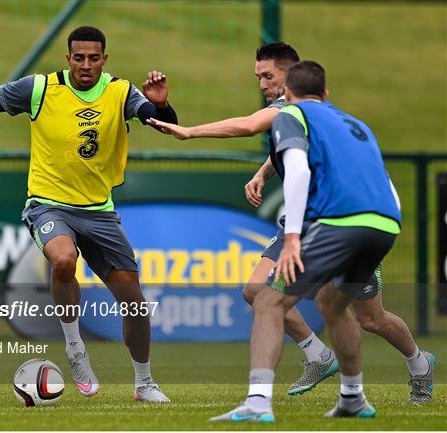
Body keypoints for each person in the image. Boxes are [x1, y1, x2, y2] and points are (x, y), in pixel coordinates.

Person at [148, 43, 435, 404]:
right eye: (259, 78)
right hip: (306, 220)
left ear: (292, 75)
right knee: (256, 291)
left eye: (269, 76)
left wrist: (188, 131)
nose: (264, 84)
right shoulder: (302, 113)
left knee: (371, 319)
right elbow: (288, 147)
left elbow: (249, 125)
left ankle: (419, 364)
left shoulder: (294, 108)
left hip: (338, 220)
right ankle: (318, 355)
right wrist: (263, 173)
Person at [0, 25, 178, 402]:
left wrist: (160, 105)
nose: (85, 65)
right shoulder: (41, 88)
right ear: (68, 59)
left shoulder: (119, 91)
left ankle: (144, 383)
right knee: (63, 259)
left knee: (134, 301)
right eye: (78, 58)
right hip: (47, 203)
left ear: (104, 60)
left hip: (99, 210)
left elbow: (163, 124)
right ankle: (75, 348)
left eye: (93, 58)